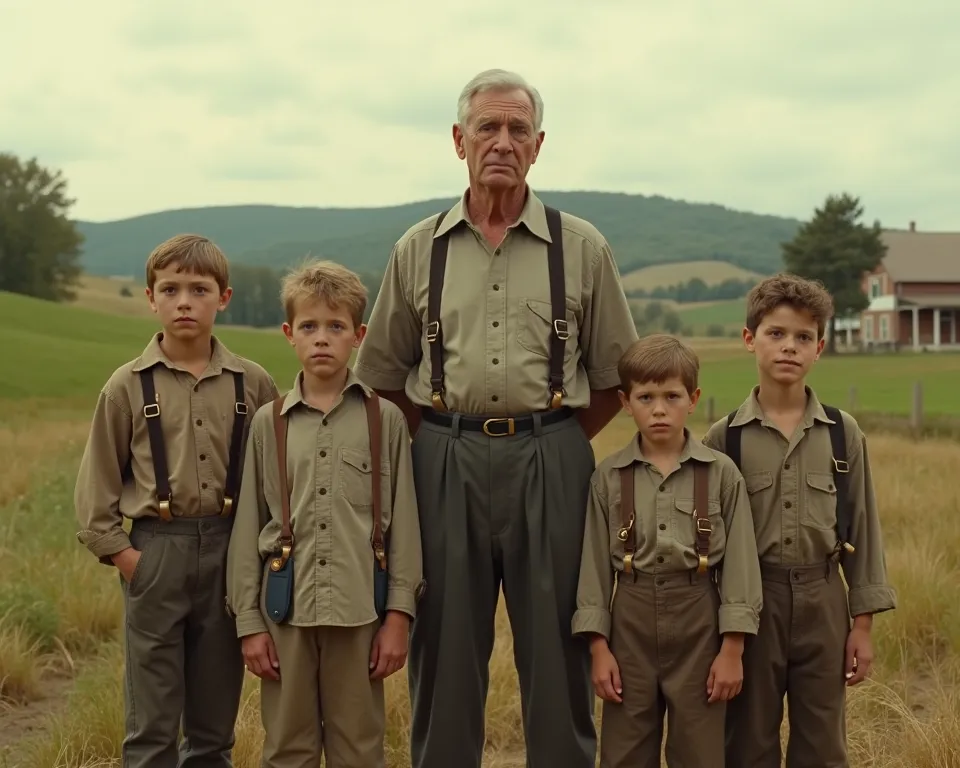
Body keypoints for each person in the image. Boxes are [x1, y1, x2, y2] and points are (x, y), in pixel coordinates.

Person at [353, 68, 639, 768]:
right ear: (459, 140)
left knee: (560, 649)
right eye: (488, 127)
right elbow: (382, 378)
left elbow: (620, 378)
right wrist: (435, 445)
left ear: (539, 146)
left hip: (554, 454)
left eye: (518, 130)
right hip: (442, 459)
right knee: (444, 653)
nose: (503, 142)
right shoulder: (418, 247)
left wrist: (563, 441)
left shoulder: (583, 247)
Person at [73, 234, 279, 768]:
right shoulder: (126, 387)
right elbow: (95, 491)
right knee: (152, 724)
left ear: (224, 298)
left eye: (199, 289)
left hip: (231, 552)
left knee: (213, 725)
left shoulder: (252, 383)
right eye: (170, 289)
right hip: (155, 551)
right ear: (151, 298)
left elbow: (280, 476)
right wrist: (129, 560)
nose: (184, 301)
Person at [224, 260, 423, 768]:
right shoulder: (271, 423)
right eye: (309, 327)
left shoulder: (387, 421)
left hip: (361, 611)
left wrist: (398, 616)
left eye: (336, 327)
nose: (322, 339)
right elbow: (250, 524)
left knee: (359, 746)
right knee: (287, 746)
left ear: (357, 335)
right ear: (290, 334)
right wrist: (249, 622)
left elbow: (406, 529)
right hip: (284, 611)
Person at [701, 273, 898, 767]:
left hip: (823, 600)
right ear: (750, 339)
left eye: (803, 337)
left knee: (823, 744)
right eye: (776, 334)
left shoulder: (841, 433)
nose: (789, 347)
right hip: (751, 608)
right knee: (747, 742)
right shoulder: (725, 439)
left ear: (819, 348)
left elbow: (863, 530)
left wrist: (863, 625)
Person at [572, 334, 762, 767]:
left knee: (700, 749)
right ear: (625, 401)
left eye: (672, 396)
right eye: (646, 396)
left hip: (700, 619)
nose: (659, 409)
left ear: (692, 399)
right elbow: (593, 571)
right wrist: (599, 649)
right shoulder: (607, 477)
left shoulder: (721, 474)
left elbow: (741, 566)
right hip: (630, 622)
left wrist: (731, 650)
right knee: (624, 749)